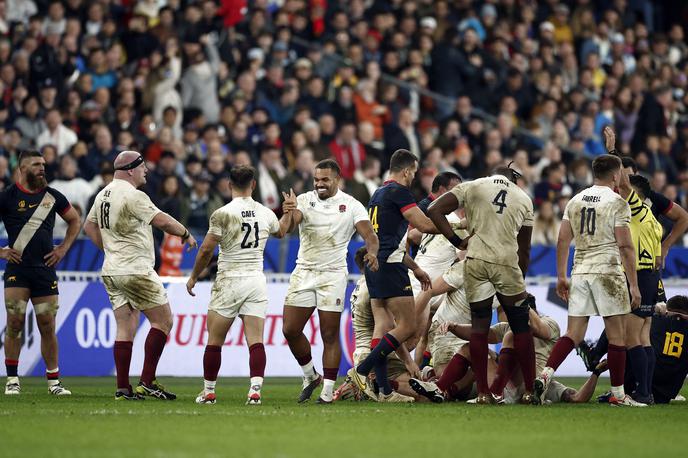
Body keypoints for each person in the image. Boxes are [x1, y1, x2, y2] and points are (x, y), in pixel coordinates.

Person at [83, 151, 198, 400]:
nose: (146, 170)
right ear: (130, 170)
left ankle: (122, 388)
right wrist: (185, 233)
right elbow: (163, 221)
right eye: (142, 167)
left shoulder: (103, 194)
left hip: (112, 270)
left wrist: (109, 249)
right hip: (135, 269)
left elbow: (88, 226)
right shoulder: (133, 195)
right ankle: (147, 381)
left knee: (125, 326)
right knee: (164, 321)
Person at [534, 154, 645, 407]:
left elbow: (563, 239)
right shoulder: (617, 202)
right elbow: (626, 245)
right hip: (608, 272)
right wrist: (634, 284)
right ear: (616, 175)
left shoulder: (574, 200)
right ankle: (618, 395)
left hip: (580, 272)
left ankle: (545, 374)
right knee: (618, 337)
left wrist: (561, 276)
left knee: (573, 333)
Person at [427, 165, 537, 404]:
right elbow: (525, 248)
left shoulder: (473, 186)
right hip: (507, 263)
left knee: (479, 326)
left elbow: (433, 209)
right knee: (520, 327)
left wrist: (457, 240)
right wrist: (521, 278)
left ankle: (484, 394)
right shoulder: (523, 198)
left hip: (476, 260)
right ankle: (530, 391)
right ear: (513, 179)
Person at [186, 166, 291, 405]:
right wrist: (288, 211)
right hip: (255, 280)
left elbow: (206, 250)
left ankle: (209, 392)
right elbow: (282, 230)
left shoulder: (222, 213)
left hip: (229, 280)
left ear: (228, 184)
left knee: (215, 339)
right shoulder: (265, 213)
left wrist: (193, 276)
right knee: (255, 339)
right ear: (253, 185)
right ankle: (255, 391)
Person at [280, 159, 379, 404]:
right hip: (304, 271)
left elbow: (370, 235)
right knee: (290, 329)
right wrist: (289, 212)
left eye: (325, 179)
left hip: (333, 275)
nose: (319, 184)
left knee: (329, 333)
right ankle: (310, 374)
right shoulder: (304, 199)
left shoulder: (352, 205)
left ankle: (326, 390)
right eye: (316, 179)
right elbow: (286, 228)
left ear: (337, 179)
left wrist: (373, 253)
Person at [348, 149, 438, 403]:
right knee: (407, 327)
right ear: (407, 170)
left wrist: (416, 268)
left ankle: (385, 390)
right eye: (414, 172)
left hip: (375, 265)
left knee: (383, 325)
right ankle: (362, 371)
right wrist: (458, 227)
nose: (413, 177)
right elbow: (425, 226)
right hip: (391, 266)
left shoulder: (377, 194)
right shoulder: (399, 192)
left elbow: (388, 241)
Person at [1, 150, 81, 396]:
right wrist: (1, 252)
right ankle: (12, 380)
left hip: (45, 270)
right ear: (22, 169)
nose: (42, 168)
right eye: (36, 164)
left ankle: (53, 382)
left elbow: (75, 221)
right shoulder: (7, 197)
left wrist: (64, 249)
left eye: (43, 165)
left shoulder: (53, 197)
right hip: (17, 271)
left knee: (47, 325)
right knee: (14, 322)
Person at [333, 248, 423, 402]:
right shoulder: (374, 287)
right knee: (421, 394)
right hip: (376, 356)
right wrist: (409, 361)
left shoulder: (360, 285)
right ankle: (373, 384)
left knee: (420, 385)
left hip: (363, 352)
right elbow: (389, 329)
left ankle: (365, 384)